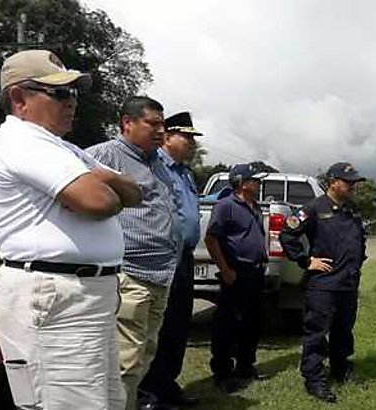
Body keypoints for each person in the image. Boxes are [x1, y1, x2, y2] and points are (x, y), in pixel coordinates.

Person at [0, 49, 142, 409]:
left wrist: (101, 180)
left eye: (74, 93)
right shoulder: (17, 140)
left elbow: (135, 192)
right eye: (58, 92)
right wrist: (104, 186)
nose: (71, 102)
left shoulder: (61, 148)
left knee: (105, 401)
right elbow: (99, 201)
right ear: (19, 98)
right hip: (55, 297)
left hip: (81, 294)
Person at [87, 96, 179, 410]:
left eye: (162, 125)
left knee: (142, 357)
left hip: (160, 273)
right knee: (124, 361)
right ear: (127, 123)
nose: (160, 130)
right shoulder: (103, 156)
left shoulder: (158, 162)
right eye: (152, 123)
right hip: (129, 273)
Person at [279, 162, 367, 403]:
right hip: (323, 285)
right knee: (317, 334)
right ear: (333, 183)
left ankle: (341, 370)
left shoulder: (352, 210)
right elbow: (287, 235)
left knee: (343, 331)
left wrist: (359, 262)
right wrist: (306, 261)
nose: (352, 187)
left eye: (354, 183)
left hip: (347, 283)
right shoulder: (313, 209)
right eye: (348, 182)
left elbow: (359, 239)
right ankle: (314, 379)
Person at [138, 112, 202, 408]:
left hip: (185, 257)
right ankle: (150, 392)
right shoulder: (154, 167)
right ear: (167, 136)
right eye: (186, 137)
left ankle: (167, 384)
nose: (192, 144)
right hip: (163, 256)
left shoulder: (186, 173)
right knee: (158, 327)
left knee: (178, 325)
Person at [204, 163, 269, 392]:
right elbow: (211, 239)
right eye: (254, 180)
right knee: (228, 324)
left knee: (251, 323)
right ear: (242, 182)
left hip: (256, 272)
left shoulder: (255, 206)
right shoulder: (225, 206)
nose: (258, 184)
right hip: (236, 271)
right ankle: (222, 372)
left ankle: (245, 366)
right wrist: (226, 269)